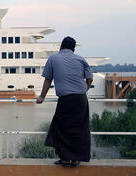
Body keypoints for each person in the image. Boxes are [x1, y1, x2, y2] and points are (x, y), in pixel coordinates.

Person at [36, 36, 93, 167]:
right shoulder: (81, 59)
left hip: (65, 99)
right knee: (80, 128)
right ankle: (76, 159)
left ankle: (66, 159)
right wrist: (84, 90)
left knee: (62, 128)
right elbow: (90, 79)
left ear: (60, 46)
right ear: (73, 48)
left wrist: (42, 97)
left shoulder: (53, 59)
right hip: (80, 99)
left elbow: (48, 80)